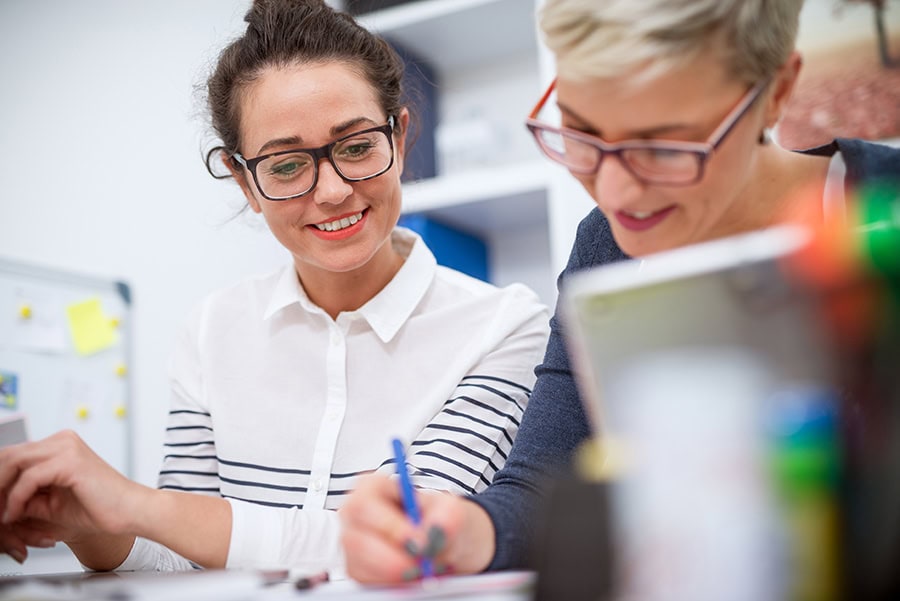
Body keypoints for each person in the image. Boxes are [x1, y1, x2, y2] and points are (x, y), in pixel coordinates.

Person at [338, 0, 900, 583]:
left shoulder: (887, 207)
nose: (615, 192)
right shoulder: (607, 243)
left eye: (662, 146)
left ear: (777, 91)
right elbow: (543, 480)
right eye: (581, 132)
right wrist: (457, 530)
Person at [0, 0, 549, 574]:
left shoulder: (503, 328)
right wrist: (91, 526)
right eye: (287, 165)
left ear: (401, 137)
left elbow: (407, 543)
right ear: (245, 182)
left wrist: (138, 506)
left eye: (358, 146)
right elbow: (179, 557)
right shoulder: (214, 328)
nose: (333, 191)